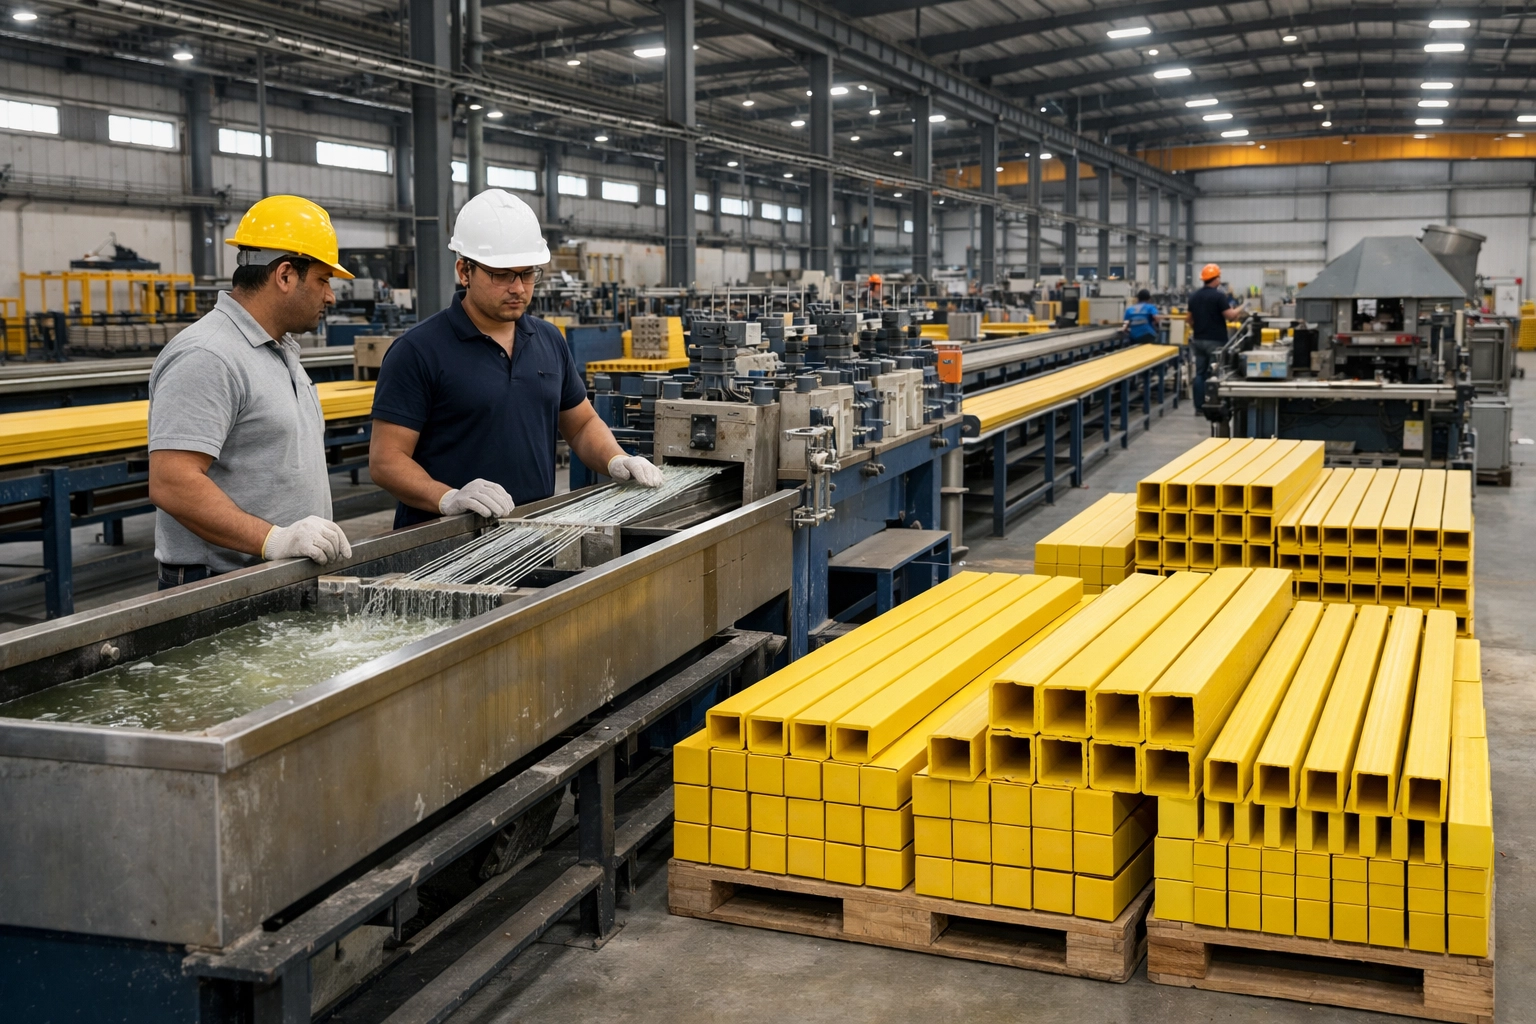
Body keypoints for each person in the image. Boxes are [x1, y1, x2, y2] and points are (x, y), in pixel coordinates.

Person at [369, 189, 662, 527]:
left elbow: (580, 425)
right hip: (441, 549)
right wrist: (447, 497)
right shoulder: (418, 351)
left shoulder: (548, 340)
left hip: (530, 536)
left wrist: (616, 460)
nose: (519, 288)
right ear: (464, 271)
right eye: (502, 274)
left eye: (527, 274)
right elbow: (386, 460)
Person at [146, 195, 355, 589]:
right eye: (324, 280)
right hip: (218, 586)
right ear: (286, 275)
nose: (330, 295)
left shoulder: (280, 348)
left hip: (272, 576)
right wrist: (273, 540)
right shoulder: (209, 354)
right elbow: (172, 481)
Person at [1185, 263, 1246, 411]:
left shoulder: (1194, 296)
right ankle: (1212, 404)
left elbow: (1189, 319)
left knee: (1199, 373)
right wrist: (1242, 307)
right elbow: (1230, 316)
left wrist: (1198, 329)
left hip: (1198, 340)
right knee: (1214, 372)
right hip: (1216, 340)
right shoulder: (1219, 296)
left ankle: (1199, 407)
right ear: (1216, 279)